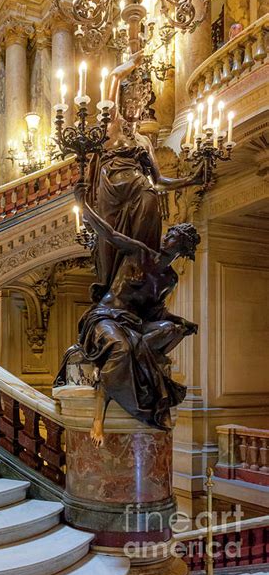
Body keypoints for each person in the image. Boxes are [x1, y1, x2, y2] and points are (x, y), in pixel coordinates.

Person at [74, 185, 200, 446]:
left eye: (174, 237)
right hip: (105, 317)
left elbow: (156, 311)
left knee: (170, 330)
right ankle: (99, 416)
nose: (167, 238)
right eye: (169, 234)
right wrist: (83, 205)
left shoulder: (170, 279)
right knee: (120, 348)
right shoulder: (140, 252)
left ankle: (147, 385)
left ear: (182, 248)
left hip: (134, 322)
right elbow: (108, 233)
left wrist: (181, 322)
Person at [87, 51, 203, 299]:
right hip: (113, 193)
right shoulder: (112, 125)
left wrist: (189, 180)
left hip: (141, 192)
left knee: (149, 200)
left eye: (139, 103)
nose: (135, 107)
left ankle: (140, 268)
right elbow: (111, 82)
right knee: (110, 245)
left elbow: (159, 181)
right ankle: (109, 287)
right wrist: (125, 69)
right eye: (130, 101)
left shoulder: (144, 141)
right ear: (122, 101)